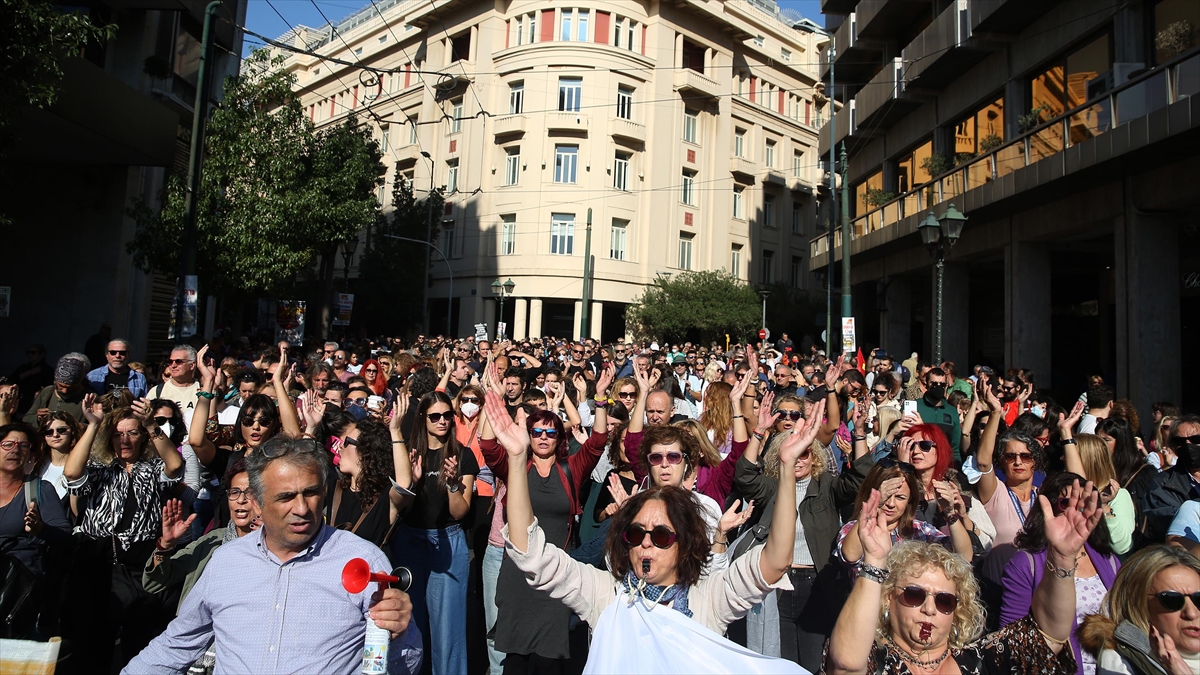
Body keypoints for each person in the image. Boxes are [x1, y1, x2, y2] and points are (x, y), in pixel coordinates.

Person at [489, 387, 819, 674]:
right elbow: (529, 551)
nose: (646, 543)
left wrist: (787, 469)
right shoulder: (608, 596)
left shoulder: (707, 599)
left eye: (661, 536)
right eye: (635, 534)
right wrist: (517, 462)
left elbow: (774, 561)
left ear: (685, 544)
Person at [123, 436, 419, 674]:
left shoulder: (363, 561)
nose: (302, 509)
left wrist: (402, 633)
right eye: (286, 496)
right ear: (257, 502)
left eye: (311, 493)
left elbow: (405, 662)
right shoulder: (227, 562)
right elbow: (177, 645)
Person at [821, 479, 1103, 675]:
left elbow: (1049, 635)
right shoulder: (875, 659)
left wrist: (1062, 558)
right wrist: (874, 563)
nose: (929, 609)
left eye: (945, 601)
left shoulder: (984, 659)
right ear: (888, 600)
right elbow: (845, 666)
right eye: (914, 594)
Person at [477, 364, 614, 673]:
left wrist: (601, 399)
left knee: (549, 662)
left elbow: (597, 443)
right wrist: (493, 400)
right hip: (516, 575)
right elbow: (487, 446)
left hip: (555, 576)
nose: (543, 437)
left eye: (550, 432)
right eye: (536, 431)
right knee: (514, 662)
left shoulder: (570, 469)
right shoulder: (516, 466)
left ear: (558, 438)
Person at [735, 396, 878, 671]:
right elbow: (744, 477)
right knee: (782, 663)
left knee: (813, 664)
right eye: (793, 452)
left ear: (814, 456)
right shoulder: (773, 487)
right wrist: (759, 432)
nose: (799, 459)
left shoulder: (828, 486)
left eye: (805, 452)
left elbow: (862, 479)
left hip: (817, 586)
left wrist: (859, 434)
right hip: (778, 585)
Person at [62, 394, 185, 668]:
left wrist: (151, 424)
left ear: (143, 437)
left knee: (139, 645)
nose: (125, 440)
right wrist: (93, 425)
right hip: (98, 562)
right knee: (92, 646)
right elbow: (71, 473)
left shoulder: (152, 468)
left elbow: (175, 466)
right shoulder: (100, 469)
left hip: (139, 564)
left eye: (132, 433)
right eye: (118, 435)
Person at [390, 391, 478, 675]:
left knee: (448, 630)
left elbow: (459, 512)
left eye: (447, 415)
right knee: (411, 624)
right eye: (435, 416)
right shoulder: (411, 454)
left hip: (449, 542)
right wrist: (412, 482)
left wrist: (453, 485)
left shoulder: (462, 456)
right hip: (411, 541)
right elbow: (401, 507)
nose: (442, 421)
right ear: (423, 419)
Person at [1001, 471, 1122, 674]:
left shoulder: (1108, 560)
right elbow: (1011, 640)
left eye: (1085, 503)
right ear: (1048, 507)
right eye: (1066, 503)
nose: (1077, 510)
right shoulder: (1025, 563)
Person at [1079, 545, 1200, 675]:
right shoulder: (1120, 662)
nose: (1192, 613)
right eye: (1171, 600)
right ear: (1138, 605)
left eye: (1198, 599)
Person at [0, 422, 72, 639]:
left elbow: (65, 537)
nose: (15, 450)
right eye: (8, 444)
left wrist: (40, 529)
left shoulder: (38, 489)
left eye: (23, 446)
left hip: (18, 596)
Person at [835, 460, 975, 570]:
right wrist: (873, 504)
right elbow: (850, 556)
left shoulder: (919, 531)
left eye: (900, 498)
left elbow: (964, 557)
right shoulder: (853, 528)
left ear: (910, 501)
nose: (890, 503)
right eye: (886, 496)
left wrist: (950, 512)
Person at [1143, 416, 1200, 543]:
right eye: (1180, 441)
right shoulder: (1160, 485)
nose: (1188, 445)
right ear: (1173, 447)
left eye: (1196, 439)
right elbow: (1175, 528)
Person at [23, 353, 89, 427]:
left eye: (71, 387)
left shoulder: (89, 398)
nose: (64, 391)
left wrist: (75, 426)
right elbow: (26, 419)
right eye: (60, 385)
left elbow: (97, 427)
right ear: (55, 379)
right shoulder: (47, 392)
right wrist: (38, 419)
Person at [915, 367, 963, 463]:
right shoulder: (914, 407)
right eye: (934, 383)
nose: (938, 386)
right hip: (919, 461)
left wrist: (957, 467)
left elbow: (955, 448)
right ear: (926, 384)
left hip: (945, 464)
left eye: (942, 384)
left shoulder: (952, 411)